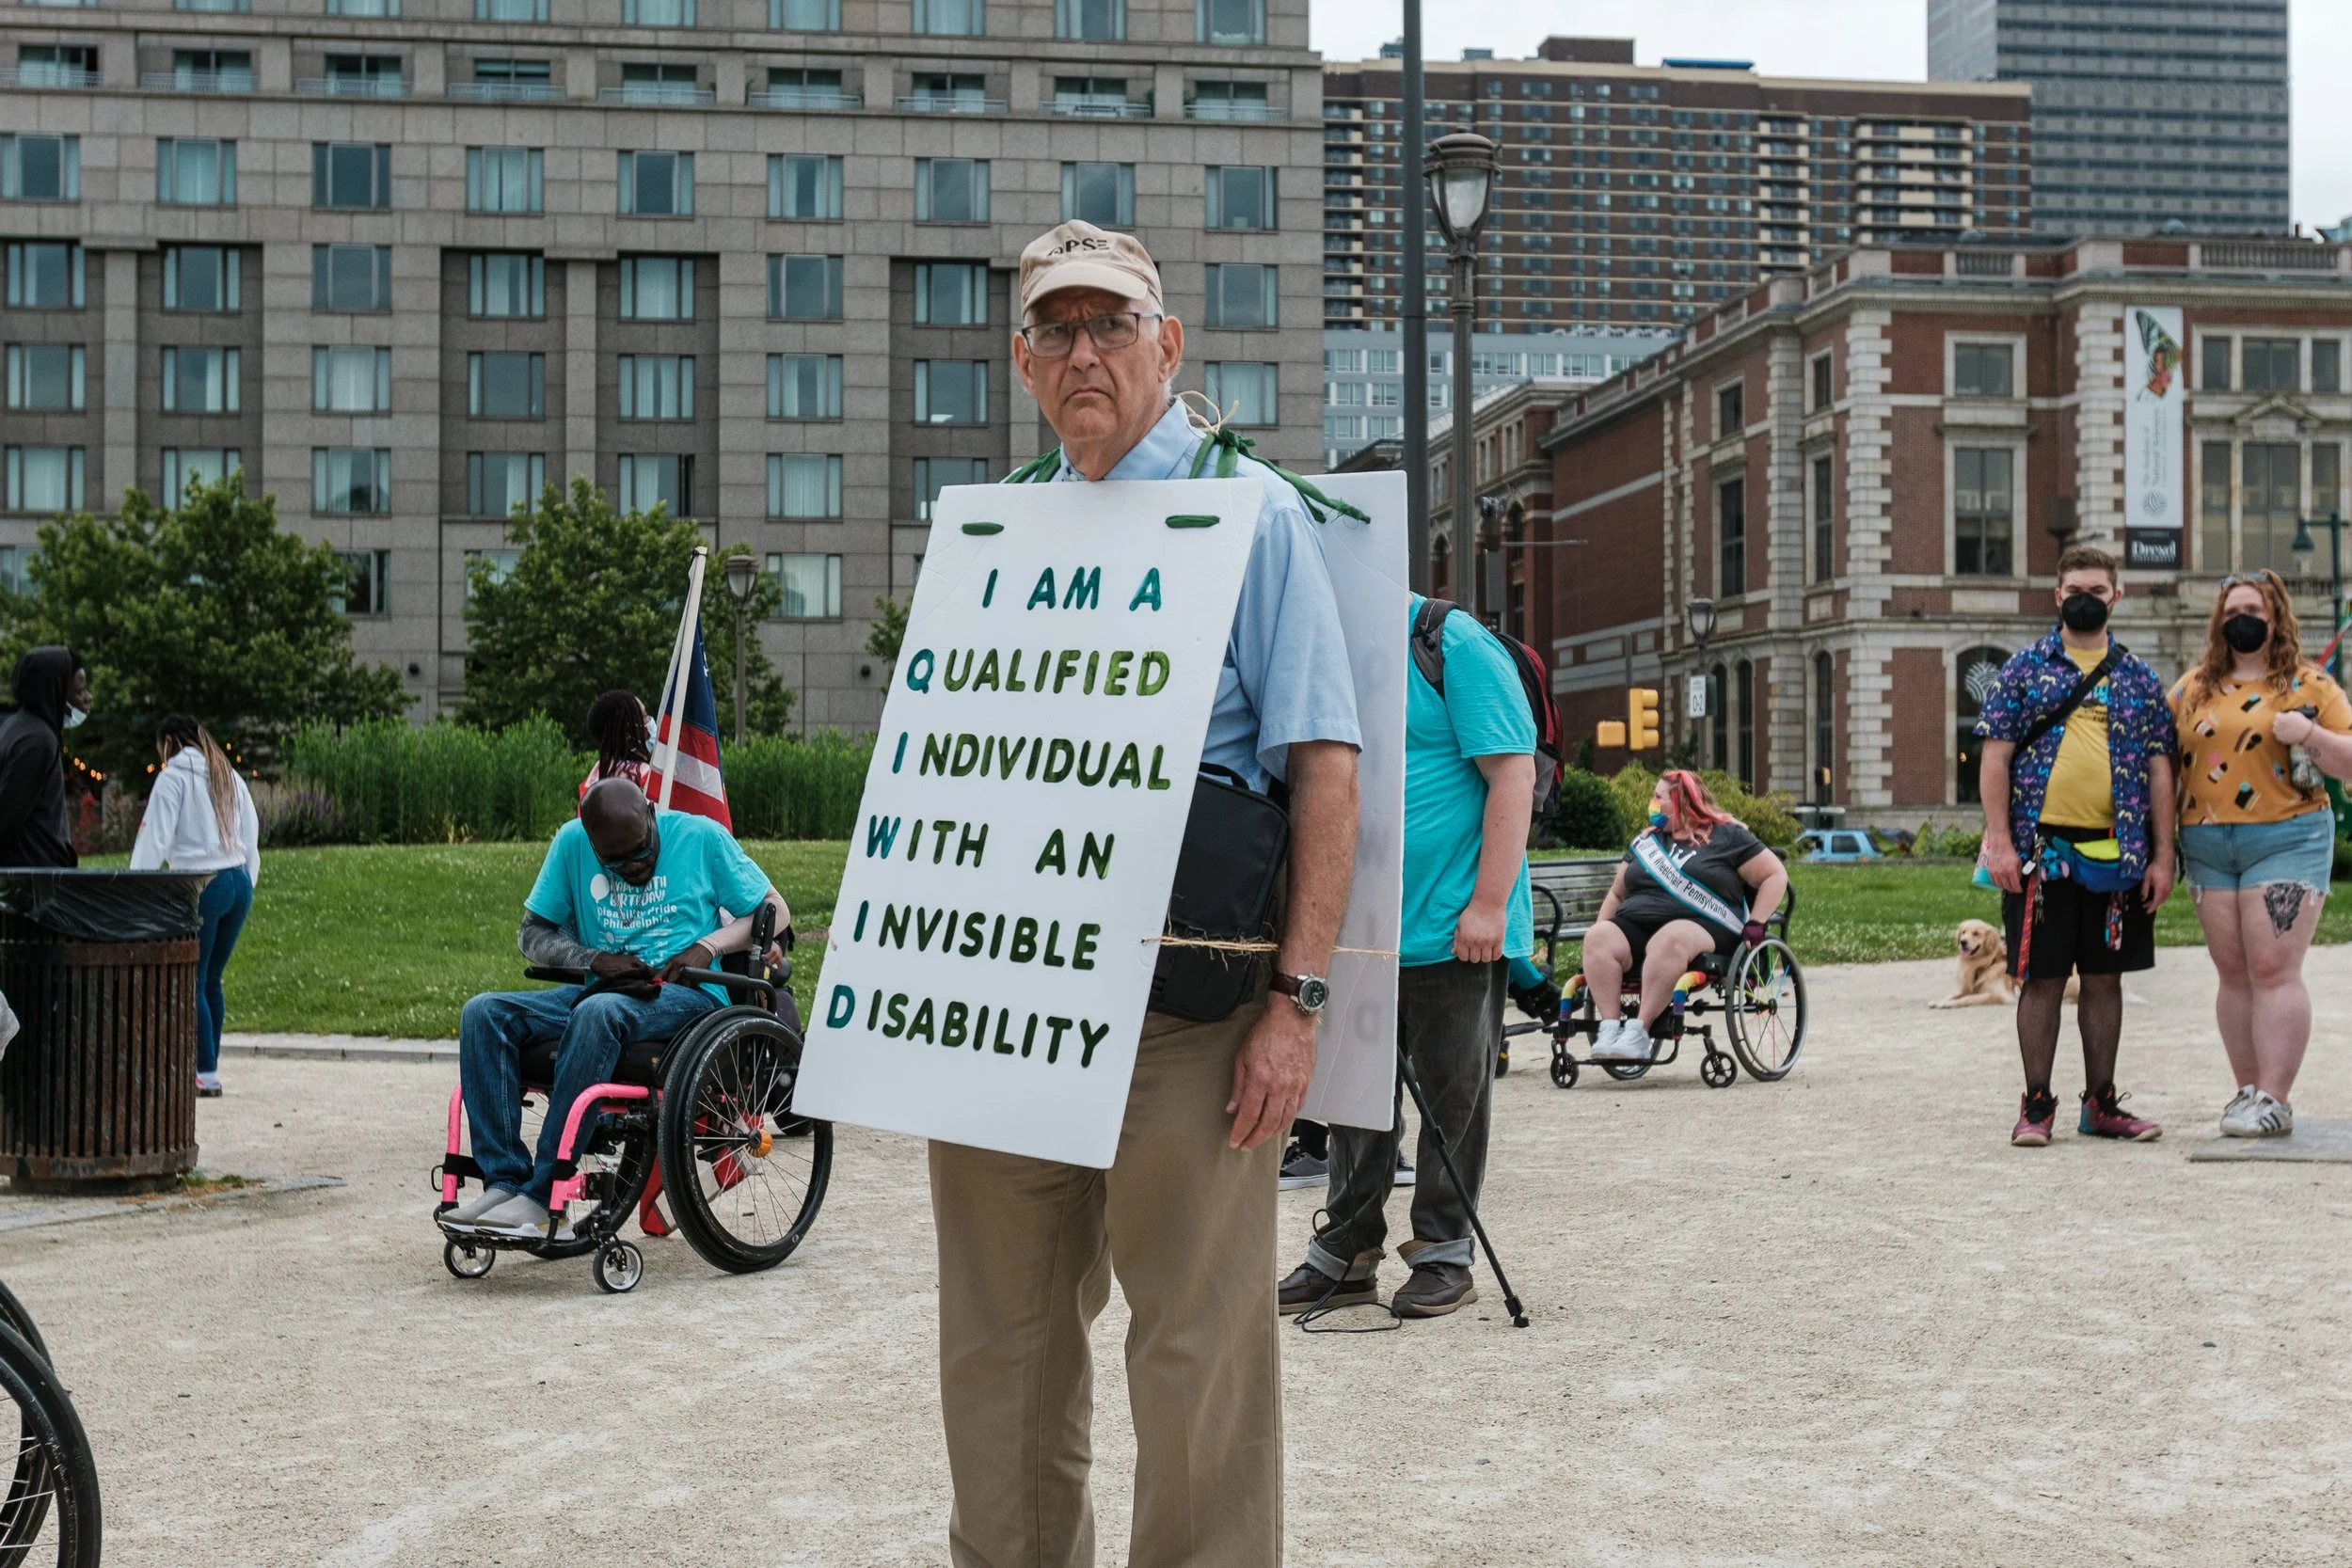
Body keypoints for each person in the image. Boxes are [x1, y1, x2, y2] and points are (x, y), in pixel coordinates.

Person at [928, 220, 1360, 1568]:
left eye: (1110, 324)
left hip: (1186, 1013)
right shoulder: (995, 529)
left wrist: (1295, 1002)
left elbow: (1325, 774)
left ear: (1168, 344)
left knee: (1196, 1355)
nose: (1083, 352)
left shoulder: (1253, 515)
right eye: (1055, 330)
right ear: (1021, 363)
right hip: (1004, 1001)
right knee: (995, 1350)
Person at [1277, 595, 1535, 1319]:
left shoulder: (1450, 642)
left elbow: (1514, 774)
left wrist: (1487, 905)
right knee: (1354, 1095)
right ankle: (1346, 1254)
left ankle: (1444, 1252)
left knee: (1455, 1096)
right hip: (1358, 927)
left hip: (1454, 927)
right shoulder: (1320, 643)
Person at [446, 780, 789, 1239]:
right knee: (483, 1014)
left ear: (651, 813)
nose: (633, 868)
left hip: (689, 996)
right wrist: (593, 961)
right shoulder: (570, 843)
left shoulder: (700, 837)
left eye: (642, 854)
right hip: (602, 990)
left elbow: (775, 910)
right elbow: (532, 936)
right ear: (590, 840)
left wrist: (708, 946)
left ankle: (545, 1191)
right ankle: (505, 1184)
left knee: (601, 1011)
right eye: (616, 863)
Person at [1976, 544, 2176, 1147]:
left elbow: (2161, 769)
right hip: (2042, 853)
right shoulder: (2025, 668)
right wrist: (2000, 842)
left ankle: (2103, 1103)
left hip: (2118, 856)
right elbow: (1996, 756)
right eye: (2075, 590)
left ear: (2117, 597)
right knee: (2040, 978)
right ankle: (2037, 1105)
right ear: (2057, 596)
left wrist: (2164, 856)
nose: (2085, 599)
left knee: (2105, 977)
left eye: (2097, 590)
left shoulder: (2139, 678)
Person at [2168, 571, 2352, 1137]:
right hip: (2207, 841)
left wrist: (2308, 735)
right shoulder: (2191, 688)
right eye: (2231, 610)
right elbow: (2164, 764)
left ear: (2275, 620)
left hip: (2288, 836)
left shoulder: (2312, 686)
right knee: (2233, 972)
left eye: (2252, 609)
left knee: (2272, 967)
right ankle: (2245, 1091)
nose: (2239, 619)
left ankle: (2276, 1096)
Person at [1581, 770, 1788, 1062]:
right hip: (1637, 923)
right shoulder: (1647, 841)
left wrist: (1756, 922)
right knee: (1598, 938)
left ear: (1680, 801)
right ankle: (1611, 1029)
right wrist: (1601, 928)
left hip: (1704, 927)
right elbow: (1617, 894)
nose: (1651, 803)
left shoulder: (1727, 836)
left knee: (1670, 938)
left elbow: (1775, 874)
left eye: (1658, 797)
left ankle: (1639, 1031)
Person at [129, 716, 261, 1098]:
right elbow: (250, 835)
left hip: (201, 883)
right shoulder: (227, 774)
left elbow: (154, 839)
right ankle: (210, 1065)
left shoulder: (173, 778)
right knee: (211, 979)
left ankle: (203, 1071)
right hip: (237, 880)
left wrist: (139, 890)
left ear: (168, 741)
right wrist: (245, 880)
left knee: (192, 980)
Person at [0, 647, 88, 867]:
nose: (86, 699)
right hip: (35, 882)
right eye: (79, 692)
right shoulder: (37, 741)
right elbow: (7, 818)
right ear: (55, 690)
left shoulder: (18, 727)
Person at [580, 689, 655, 800]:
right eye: (643, 716)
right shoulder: (645, 777)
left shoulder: (594, 779)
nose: (649, 721)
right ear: (627, 729)